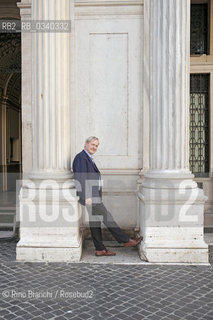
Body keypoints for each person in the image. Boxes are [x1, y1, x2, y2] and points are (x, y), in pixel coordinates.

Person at [72, 136, 142, 256]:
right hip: (90, 197)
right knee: (107, 217)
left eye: (96, 145)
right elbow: (80, 178)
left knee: (95, 222)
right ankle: (125, 240)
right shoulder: (81, 158)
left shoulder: (87, 158)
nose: (95, 147)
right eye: (93, 144)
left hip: (93, 196)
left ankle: (100, 249)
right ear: (86, 144)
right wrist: (87, 196)